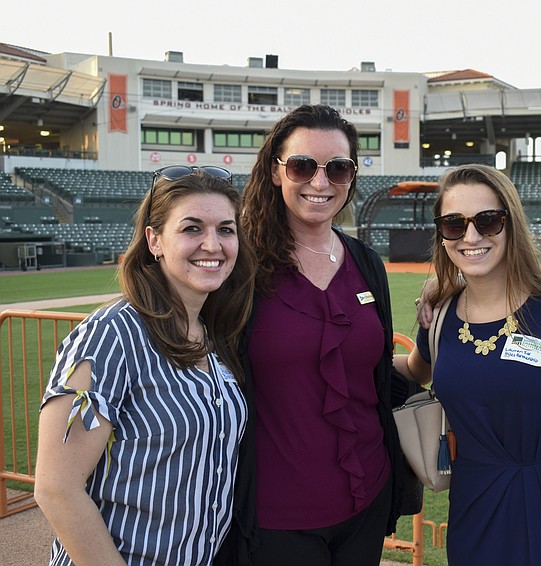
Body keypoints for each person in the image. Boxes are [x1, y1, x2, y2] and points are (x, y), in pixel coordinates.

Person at [35, 166, 256, 565]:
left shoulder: (211, 335)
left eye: (226, 229)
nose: (213, 244)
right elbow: (56, 489)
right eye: (192, 228)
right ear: (154, 240)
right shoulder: (111, 334)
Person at [223, 104, 403, 566]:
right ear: (275, 171)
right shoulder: (237, 263)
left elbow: (376, 371)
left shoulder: (367, 263)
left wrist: (434, 327)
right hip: (277, 514)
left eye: (338, 168)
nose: (320, 182)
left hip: (366, 496)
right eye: (303, 166)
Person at [394, 164, 541, 565]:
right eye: (453, 224)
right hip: (473, 508)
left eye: (487, 221)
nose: (471, 237)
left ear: (510, 224)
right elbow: (414, 370)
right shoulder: (441, 316)